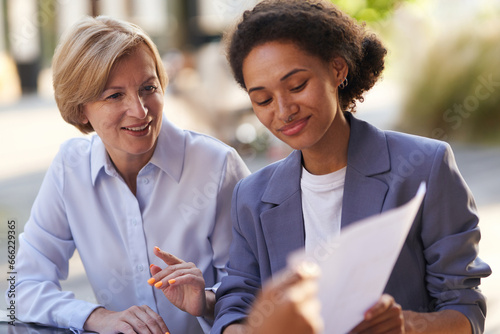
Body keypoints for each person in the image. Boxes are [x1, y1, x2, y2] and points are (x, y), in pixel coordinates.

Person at [212, 1, 492, 333]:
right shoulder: (252, 196)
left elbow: (465, 310)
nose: (283, 111)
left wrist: (407, 324)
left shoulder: (425, 167)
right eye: (263, 100)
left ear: (337, 70)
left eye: (297, 85)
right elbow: (234, 306)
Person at [8, 16, 250, 334]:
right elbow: (23, 286)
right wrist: (97, 316)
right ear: (82, 109)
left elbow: (254, 286)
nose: (140, 111)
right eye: (114, 96)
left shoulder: (217, 167)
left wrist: (205, 301)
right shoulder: (70, 168)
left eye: (148, 88)